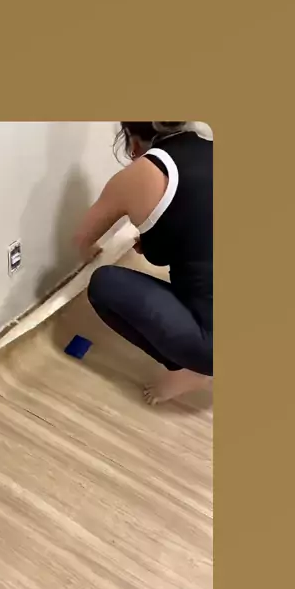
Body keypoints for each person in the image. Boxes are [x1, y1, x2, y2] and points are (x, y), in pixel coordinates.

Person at [73, 121, 213, 405]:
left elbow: (82, 239)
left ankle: (193, 369)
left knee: (104, 284)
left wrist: (90, 253)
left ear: (133, 142)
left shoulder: (142, 174)